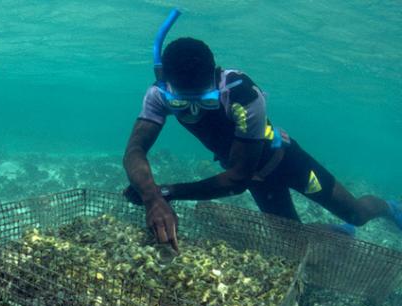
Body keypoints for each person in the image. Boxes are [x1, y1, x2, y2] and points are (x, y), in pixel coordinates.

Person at [122, 36, 402, 251]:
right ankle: (340, 233)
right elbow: (135, 150)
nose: (194, 111)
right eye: (181, 103)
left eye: (205, 101)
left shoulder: (243, 95)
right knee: (295, 244)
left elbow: (237, 180)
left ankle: (388, 207)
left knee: (356, 213)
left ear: (216, 77)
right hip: (255, 178)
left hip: (286, 162)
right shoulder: (159, 94)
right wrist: (152, 198)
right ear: (167, 85)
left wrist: (165, 192)